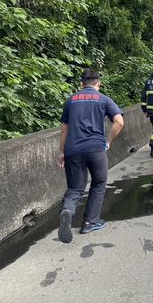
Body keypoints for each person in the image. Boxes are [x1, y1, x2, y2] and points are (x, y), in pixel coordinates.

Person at [57, 69, 124, 244]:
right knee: (99, 182)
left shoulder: (70, 101)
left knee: (75, 188)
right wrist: (107, 141)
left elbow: (64, 129)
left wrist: (62, 152)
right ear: (98, 83)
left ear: (81, 84)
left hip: (73, 149)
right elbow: (119, 122)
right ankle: (89, 222)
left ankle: (67, 210)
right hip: (95, 148)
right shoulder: (103, 99)